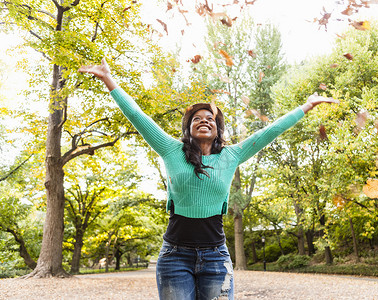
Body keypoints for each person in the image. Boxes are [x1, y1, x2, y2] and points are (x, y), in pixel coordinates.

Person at [79, 58, 338, 300]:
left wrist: (307, 105)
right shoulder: (171, 150)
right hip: (174, 256)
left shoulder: (231, 155)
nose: (204, 121)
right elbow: (138, 116)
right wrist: (108, 80)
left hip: (216, 256)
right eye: (197, 119)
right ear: (189, 128)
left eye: (210, 119)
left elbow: (271, 131)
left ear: (217, 130)